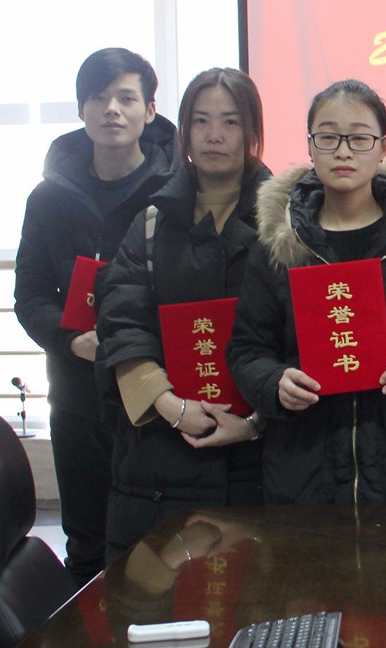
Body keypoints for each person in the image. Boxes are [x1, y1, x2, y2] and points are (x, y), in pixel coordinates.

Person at [226, 79, 386, 504]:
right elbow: (247, 349)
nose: (343, 151)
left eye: (359, 138)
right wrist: (274, 382)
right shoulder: (279, 243)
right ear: (310, 145)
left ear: (383, 146)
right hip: (306, 474)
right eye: (328, 137)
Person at [15, 47, 178, 586]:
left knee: (160, 540)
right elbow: (29, 295)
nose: (112, 109)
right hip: (77, 389)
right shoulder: (48, 198)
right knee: (86, 539)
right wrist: (70, 339)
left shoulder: (176, 191)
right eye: (99, 97)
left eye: (126, 98)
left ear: (149, 111)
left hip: (156, 384)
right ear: (81, 109)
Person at [94, 68, 270, 561]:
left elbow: (300, 338)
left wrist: (254, 423)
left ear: (252, 132)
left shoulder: (287, 223)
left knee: (256, 599)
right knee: (155, 601)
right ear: (183, 130)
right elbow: (122, 324)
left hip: (258, 458)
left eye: (231, 122)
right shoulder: (150, 222)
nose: (214, 135)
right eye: (200, 121)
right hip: (158, 462)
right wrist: (171, 407)